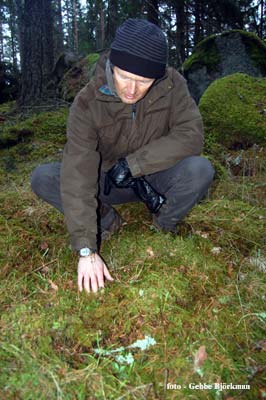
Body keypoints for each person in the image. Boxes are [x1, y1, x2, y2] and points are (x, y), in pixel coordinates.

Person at [31, 18, 214, 294]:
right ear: (112, 66)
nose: (131, 89)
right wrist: (86, 249)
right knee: (44, 177)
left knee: (201, 170)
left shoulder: (173, 85)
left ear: (158, 77)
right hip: (106, 184)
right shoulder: (87, 101)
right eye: (124, 77)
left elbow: (191, 135)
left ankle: (162, 226)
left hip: (153, 178)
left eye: (143, 81)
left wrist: (135, 164)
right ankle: (106, 221)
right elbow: (78, 170)